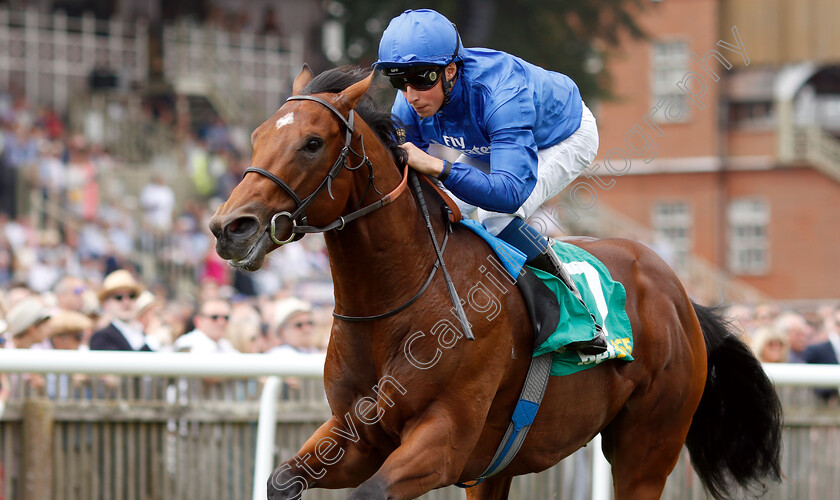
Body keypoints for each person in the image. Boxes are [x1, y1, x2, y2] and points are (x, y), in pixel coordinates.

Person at [375, 9, 606, 354]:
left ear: (450, 71)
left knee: (496, 218)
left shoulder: (502, 92)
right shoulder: (411, 100)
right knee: (442, 209)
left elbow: (509, 194)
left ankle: (577, 316)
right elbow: (412, 182)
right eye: (400, 81)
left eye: (422, 79)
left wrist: (440, 167)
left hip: (561, 136)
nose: (411, 95)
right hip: (487, 144)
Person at [90, 270, 156, 351]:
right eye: (119, 297)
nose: (126, 302)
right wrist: (153, 342)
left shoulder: (142, 333)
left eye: (131, 296)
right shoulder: (101, 338)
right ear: (106, 304)